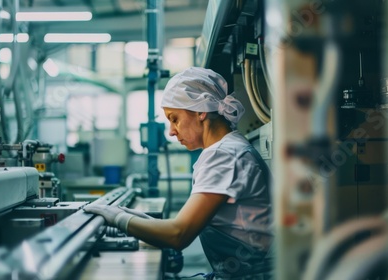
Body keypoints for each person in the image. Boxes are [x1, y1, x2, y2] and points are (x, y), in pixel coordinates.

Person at [84, 67, 273, 279]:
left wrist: (117, 218)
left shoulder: (225, 156)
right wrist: (135, 217)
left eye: (175, 119)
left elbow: (178, 234)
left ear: (201, 111)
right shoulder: (229, 148)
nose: (172, 131)